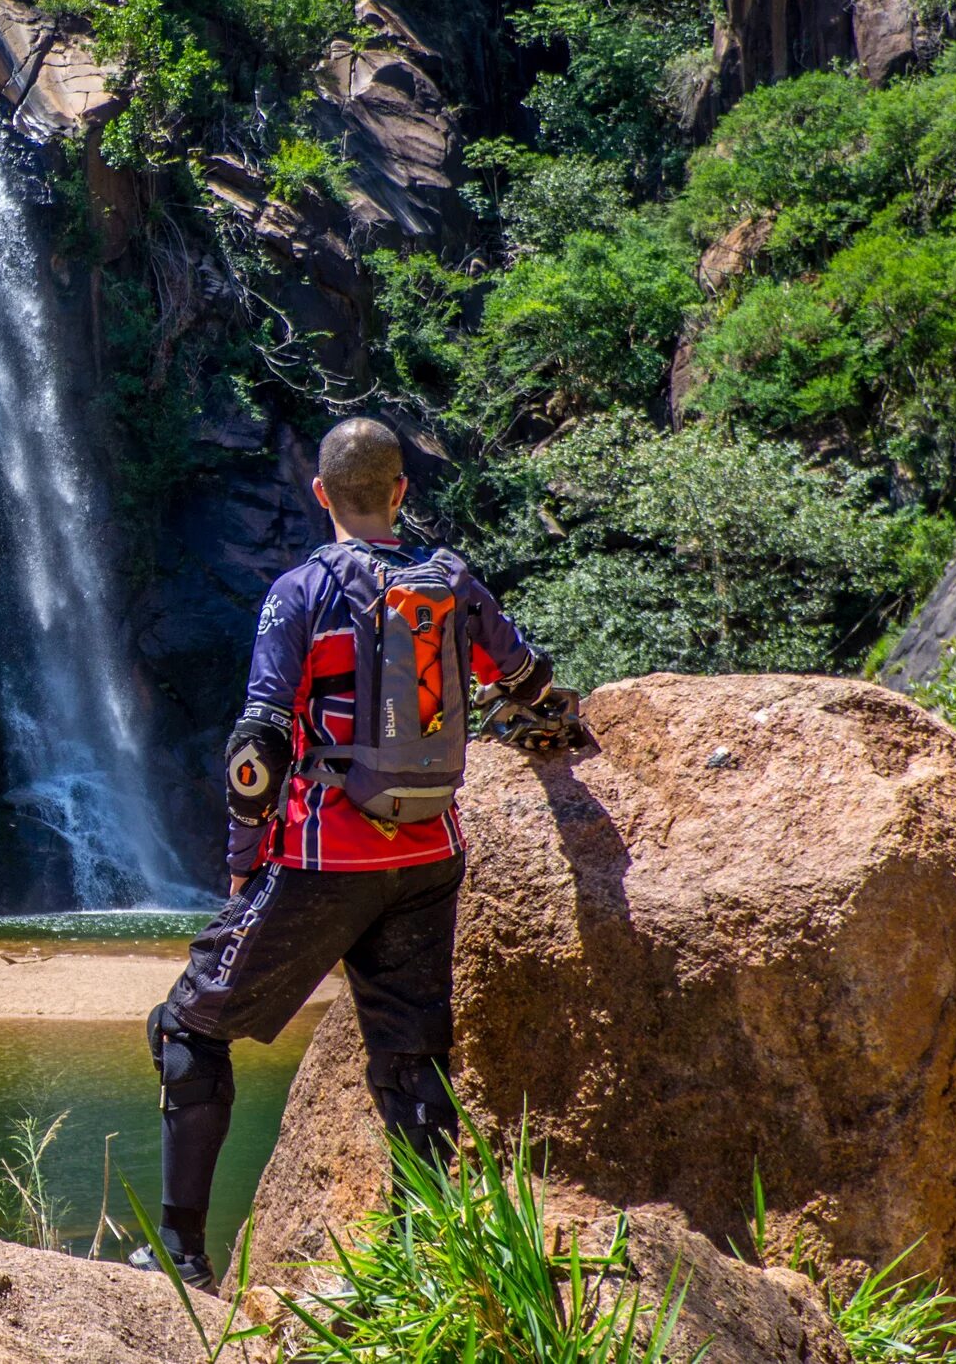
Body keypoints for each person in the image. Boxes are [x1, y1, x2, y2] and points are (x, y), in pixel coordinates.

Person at [137, 417, 573, 1289]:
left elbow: (257, 743)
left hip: (323, 862)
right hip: (429, 861)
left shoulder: (301, 591)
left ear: (321, 493)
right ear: (402, 493)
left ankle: (183, 1259)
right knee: (411, 1059)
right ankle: (427, 1263)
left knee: (186, 1026)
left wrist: (243, 853)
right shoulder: (452, 582)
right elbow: (530, 683)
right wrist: (556, 734)